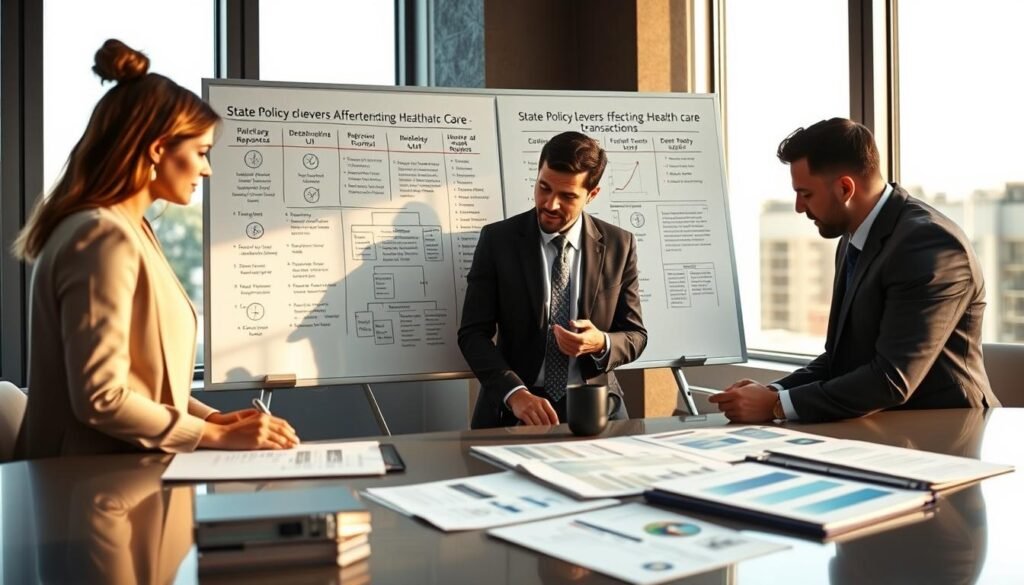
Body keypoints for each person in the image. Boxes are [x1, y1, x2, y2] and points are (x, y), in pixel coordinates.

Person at [12, 39, 300, 459]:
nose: (208, 168)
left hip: (115, 478)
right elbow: (101, 398)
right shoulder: (99, 238)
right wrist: (214, 438)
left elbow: (143, 383)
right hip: (84, 490)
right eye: (201, 152)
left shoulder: (130, 230)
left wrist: (210, 419)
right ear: (158, 148)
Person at [710, 118, 999, 423]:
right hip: (878, 429)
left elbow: (890, 379)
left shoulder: (929, 245)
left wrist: (776, 405)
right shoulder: (853, 237)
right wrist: (771, 392)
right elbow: (841, 361)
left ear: (845, 188)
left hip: (947, 434)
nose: (798, 207)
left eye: (806, 194)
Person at [458, 131, 647, 428]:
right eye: (544, 188)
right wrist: (514, 393)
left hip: (597, 408)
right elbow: (472, 334)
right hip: (514, 411)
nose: (550, 204)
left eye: (568, 196)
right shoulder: (498, 241)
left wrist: (600, 342)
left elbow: (635, 335)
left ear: (592, 194)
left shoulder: (619, 245)